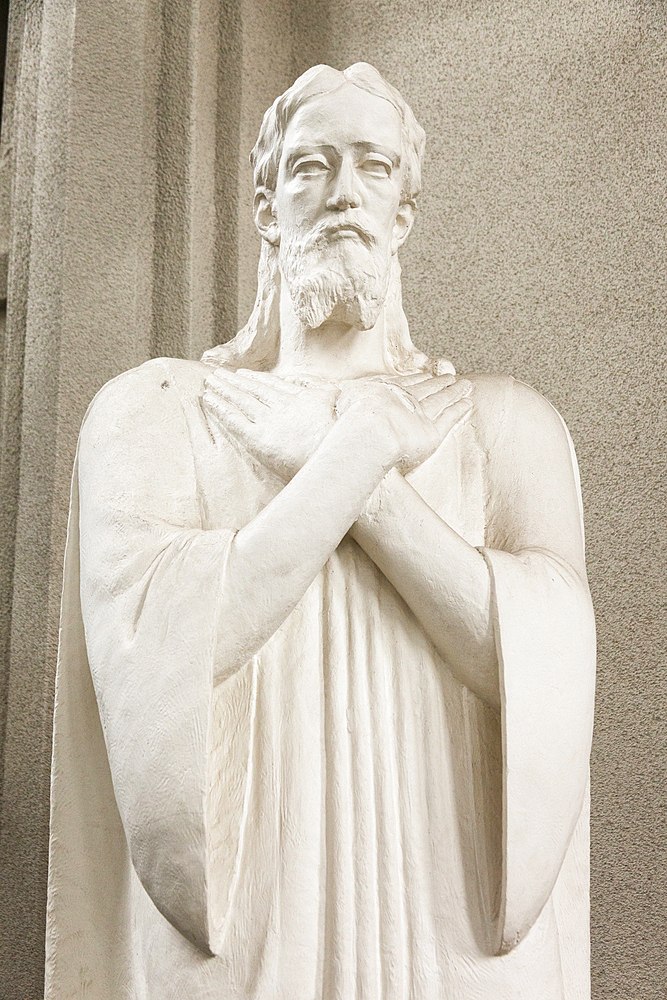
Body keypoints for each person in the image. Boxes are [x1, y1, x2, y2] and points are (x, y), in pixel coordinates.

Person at [45, 63, 595, 1000]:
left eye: (373, 166)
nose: (343, 193)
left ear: (403, 213)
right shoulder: (158, 413)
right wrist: (357, 454)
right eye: (310, 167)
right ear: (266, 207)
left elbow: (543, 666)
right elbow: (153, 658)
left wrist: (360, 470)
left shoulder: (508, 427)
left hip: (445, 897)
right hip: (253, 919)